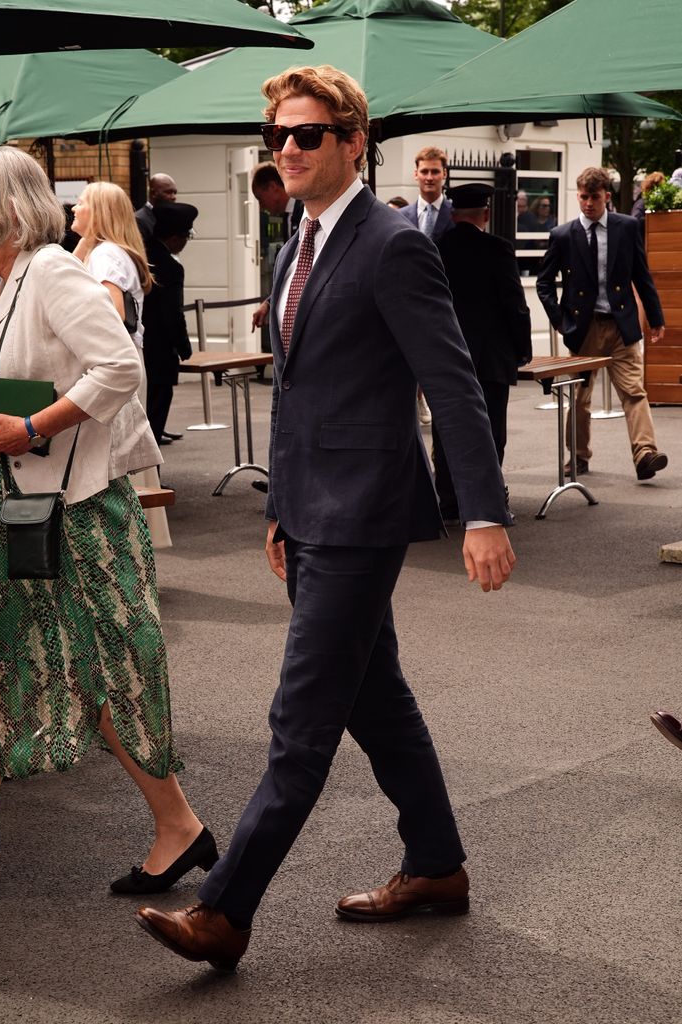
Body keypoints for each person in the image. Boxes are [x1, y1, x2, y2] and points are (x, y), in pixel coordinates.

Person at [134, 64, 515, 973]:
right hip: (310, 508)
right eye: (278, 137)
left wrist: (484, 514)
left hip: (366, 516)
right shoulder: (290, 243)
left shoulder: (392, 244)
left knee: (299, 722)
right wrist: (281, 506)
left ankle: (224, 911)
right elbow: (300, 395)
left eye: (308, 134)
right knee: (375, 700)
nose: (289, 150)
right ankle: (436, 866)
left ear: (353, 142)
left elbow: (453, 385)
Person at [0, 147, 215, 902]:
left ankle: (177, 825)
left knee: (104, 671)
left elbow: (118, 368)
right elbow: (1, 400)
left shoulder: (50, 271)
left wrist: (35, 425)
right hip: (30, 511)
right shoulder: (19, 277)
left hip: (74, 516)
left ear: (5, 208)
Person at [537, 166, 667, 480]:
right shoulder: (563, 235)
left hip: (621, 325)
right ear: (578, 195)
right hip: (583, 328)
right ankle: (579, 457)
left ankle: (645, 454)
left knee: (634, 392)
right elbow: (543, 283)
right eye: (583, 197)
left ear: (606, 196)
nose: (588, 203)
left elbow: (641, 274)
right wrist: (560, 321)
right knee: (580, 398)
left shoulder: (626, 227)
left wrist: (656, 318)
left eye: (594, 197)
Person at [70, 180, 171, 549]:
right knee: (123, 459)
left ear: (97, 212)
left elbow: (109, 314)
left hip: (112, 367)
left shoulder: (107, 256)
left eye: (81, 203)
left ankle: (120, 549)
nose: (74, 208)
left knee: (113, 462)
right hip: (125, 360)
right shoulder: (110, 251)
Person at [434, 183, 532, 525]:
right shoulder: (497, 249)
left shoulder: (436, 248)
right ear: (486, 214)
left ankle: (448, 502)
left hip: (447, 358)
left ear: (453, 213)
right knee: (490, 432)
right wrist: (522, 350)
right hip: (490, 357)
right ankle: (486, 502)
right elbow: (514, 305)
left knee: (447, 432)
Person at [139, 200, 198, 447]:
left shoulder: (141, 254)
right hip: (161, 350)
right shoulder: (171, 267)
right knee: (155, 412)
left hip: (139, 346)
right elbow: (173, 313)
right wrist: (184, 347)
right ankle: (152, 477)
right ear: (176, 237)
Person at [400, 145, 454, 242]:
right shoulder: (401, 216)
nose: (429, 178)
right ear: (416, 174)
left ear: (444, 174)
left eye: (435, 172)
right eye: (424, 172)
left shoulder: (455, 214)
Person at [251, 162, 303, 243]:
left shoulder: (306, 210)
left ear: (272, 187)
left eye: (260, 198)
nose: (261, 206)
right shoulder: (287, 216)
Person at [135, 172, 178, 245]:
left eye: (175, 193)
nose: (174, 197)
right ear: (153, 193)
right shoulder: (139, 220)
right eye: (168, 192)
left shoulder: (168, 218)